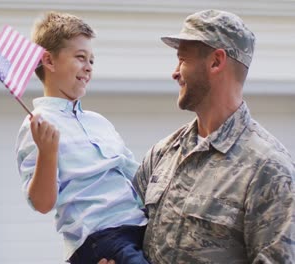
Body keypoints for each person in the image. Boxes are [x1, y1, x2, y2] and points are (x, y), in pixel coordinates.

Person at [99, 9, 295, 264]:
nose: (175, 72)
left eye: (182, 59)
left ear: (216, 61)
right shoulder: (162, 154)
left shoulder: (269, 169)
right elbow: (124, 234)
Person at [16, 11, 149, 264]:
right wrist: (48, 152)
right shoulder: (37, 125)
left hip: (138, 227)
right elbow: (43, 203)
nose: (88, 67)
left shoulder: (99, 122)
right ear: (49, 61)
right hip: (100, 238)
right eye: (80, 57)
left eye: (92, 60)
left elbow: (136, 176)